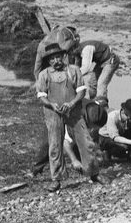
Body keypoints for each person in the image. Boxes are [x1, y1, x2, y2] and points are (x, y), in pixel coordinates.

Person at [35, 49, 96, 191]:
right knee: (55, 146)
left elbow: (81, 91)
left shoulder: (73, 70)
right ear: (48, 61)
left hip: (73, 111)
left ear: (63, 57)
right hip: (53, 113)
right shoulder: (44, 74)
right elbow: (41, 95)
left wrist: (71, 103)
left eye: (58, 57)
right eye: (52, 59)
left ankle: (94, 174)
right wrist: (51, 104)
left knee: (86, 141)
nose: (56, 61)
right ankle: (56, 179)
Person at [97, 98, 131, 162]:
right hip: (106, 138)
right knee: (124, 148)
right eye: (128, 116)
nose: (129, 119)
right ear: (123, 111)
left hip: (121, 133)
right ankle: (107, 153)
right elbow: (115, 137)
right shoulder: (112, 117)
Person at [76, 39, 120, 105]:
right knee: (92, 83)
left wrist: (76, 75)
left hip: (111, 60)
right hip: (101, 62)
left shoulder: (86, 49)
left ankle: (103, 106)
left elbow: (86, 68)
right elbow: (76, 67)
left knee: (101, 84)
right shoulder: (76, 53)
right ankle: (92, 103)